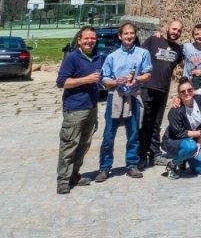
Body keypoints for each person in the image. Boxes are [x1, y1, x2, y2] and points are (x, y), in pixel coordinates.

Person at [96, 22, 153, 181]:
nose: (129, 36)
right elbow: (105, 79)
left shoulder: (143, 53)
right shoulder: (112, 57)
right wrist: (116, 82)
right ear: (120, 36)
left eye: (132, 33)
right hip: (115, 97)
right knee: (109, 134)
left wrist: (137, 78)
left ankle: (131, 165)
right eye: (126, 34)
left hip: (134, 96)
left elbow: (148, 74)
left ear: (135, 35)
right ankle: (105, 167)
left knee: (134, 133)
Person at [55, 26, 103, 194]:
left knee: (84, 143)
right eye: (87, 38)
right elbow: (61, 82)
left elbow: (102, 79)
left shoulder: (98, 57)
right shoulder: (72, 58)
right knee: (69, 144)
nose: (90, 41)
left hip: (91, 107)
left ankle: (74, 174)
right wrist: (86, 80)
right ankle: (63, 180)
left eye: (93, 38)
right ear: (79, 40)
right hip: (74, 109)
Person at [138, 19, 184, 168]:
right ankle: (141, 155)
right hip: (147, 87)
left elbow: (182, 65)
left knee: (156, 123)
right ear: (167, 28)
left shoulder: (178, 49)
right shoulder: (153, 40)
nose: (175, 32)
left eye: (178, 31)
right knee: (144, 122)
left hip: (163, 90)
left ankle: (155, 154)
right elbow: (139, 55)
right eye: (173, 29)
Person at [160, 78, 201, 178]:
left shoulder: (200, 101)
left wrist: (199, 143)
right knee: (190, 147)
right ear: (179, 94)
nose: (187, 93)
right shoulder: (175, 111)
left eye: (189, 90)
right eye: (183, 92)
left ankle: (184, 158)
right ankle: (172, 164)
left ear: (193, 90)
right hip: (174, 141)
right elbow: (180, 134)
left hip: (193, 141)